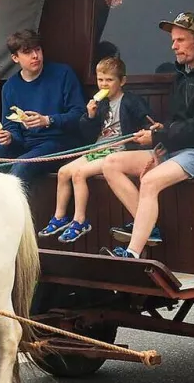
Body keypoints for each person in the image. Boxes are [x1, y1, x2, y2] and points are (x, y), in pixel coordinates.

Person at [100, 11, 194, 258]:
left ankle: (133, 252)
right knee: (110, 163)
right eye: (173, 41)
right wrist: (159, 137)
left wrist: (158, 137)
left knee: (150, 180)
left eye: (180, 40)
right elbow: (176, 121)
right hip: (175, 149)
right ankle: (148, 228)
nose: (173, 46)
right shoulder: (181, 75)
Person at [38, 56, 152, 243]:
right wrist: (90, 116)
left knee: (79, 174)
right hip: (98, 148)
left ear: (122, 81)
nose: (104, 84)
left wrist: (147, 132)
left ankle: (80, 220)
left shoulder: (131, 101)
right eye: (100, 80)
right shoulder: (100, 104)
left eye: (109, 80)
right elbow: (87, 134)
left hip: (118, 152)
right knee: (63, 172)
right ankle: (59, 217)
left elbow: (147, 122)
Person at [0, 28, 86, 186]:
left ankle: (13, 210)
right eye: (27, 52)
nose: (35, 56)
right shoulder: (10, 87)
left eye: (37, 49)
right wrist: (8, 137)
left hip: (59, 142)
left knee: (21, 165)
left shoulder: (63, 74)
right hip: (24, 144)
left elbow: (79, 114)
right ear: (15, 58)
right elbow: (10, 125)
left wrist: (48, 120)